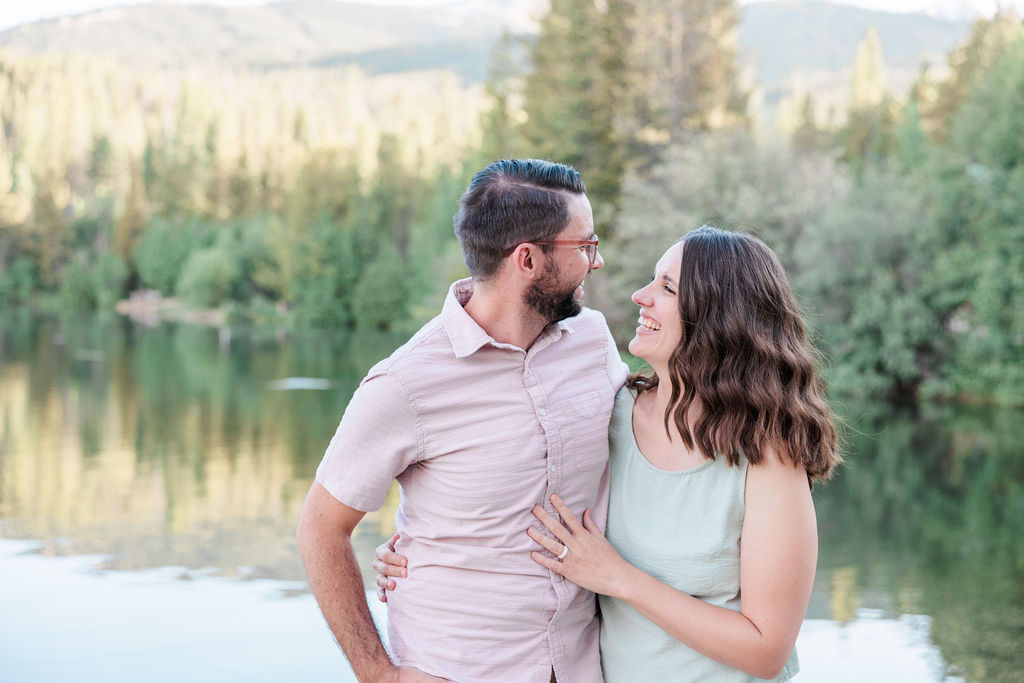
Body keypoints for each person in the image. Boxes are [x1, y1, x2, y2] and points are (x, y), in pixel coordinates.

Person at [377, 226, 841, 681]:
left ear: (719, 317)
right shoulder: (609, 412)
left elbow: (766, 651)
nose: (641, 295)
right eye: (652, 280)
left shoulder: (769, 456)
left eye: (667, 287)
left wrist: (619, 578)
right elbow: (512, 499)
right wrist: (423, 551)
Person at [296, 158, 627, 683]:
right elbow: (320, 528)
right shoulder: (403, 385)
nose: (598, 260)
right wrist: (377, 673)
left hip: (584, 664)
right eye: (584, 246)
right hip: (457, 668)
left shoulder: (594, 341)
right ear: (528, 260)